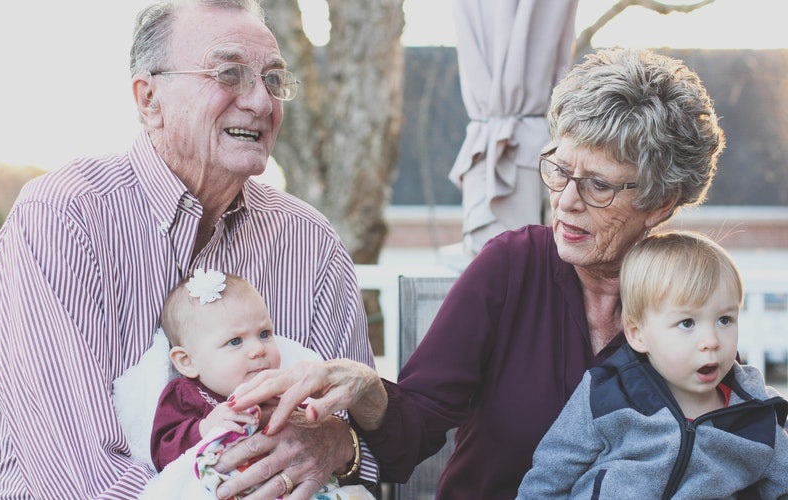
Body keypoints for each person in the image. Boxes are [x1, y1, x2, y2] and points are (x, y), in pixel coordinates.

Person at [224, 47, 728, 499]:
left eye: (598, 185)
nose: (566, 202)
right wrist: (368, 387)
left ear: (660, 204)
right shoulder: (511, 267)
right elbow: (409, 436)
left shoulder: (693, 296)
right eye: (559, 169)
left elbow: (727, 445)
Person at [0, 1, 377, 498]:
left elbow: (361, 447)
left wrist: (339, 443)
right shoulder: (65, 217)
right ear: (150, 99)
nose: (261, 102)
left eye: (274, 80)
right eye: (230, 73)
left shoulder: (310, 240)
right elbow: (76, 475)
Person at [517, 231, 788, 498]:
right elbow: (548, 478)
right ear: (637, 334)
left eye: (725, 320)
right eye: (687, 323)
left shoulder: (757, 416)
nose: (711, 340)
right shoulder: (608, 395)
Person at [151, 269, 280, 472]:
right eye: (235, 341)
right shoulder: (187, 394)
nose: (259, 349)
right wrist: (204, 428)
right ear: (187, 362)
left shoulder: (281, 388)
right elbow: (162, 453)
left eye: (265, 333)